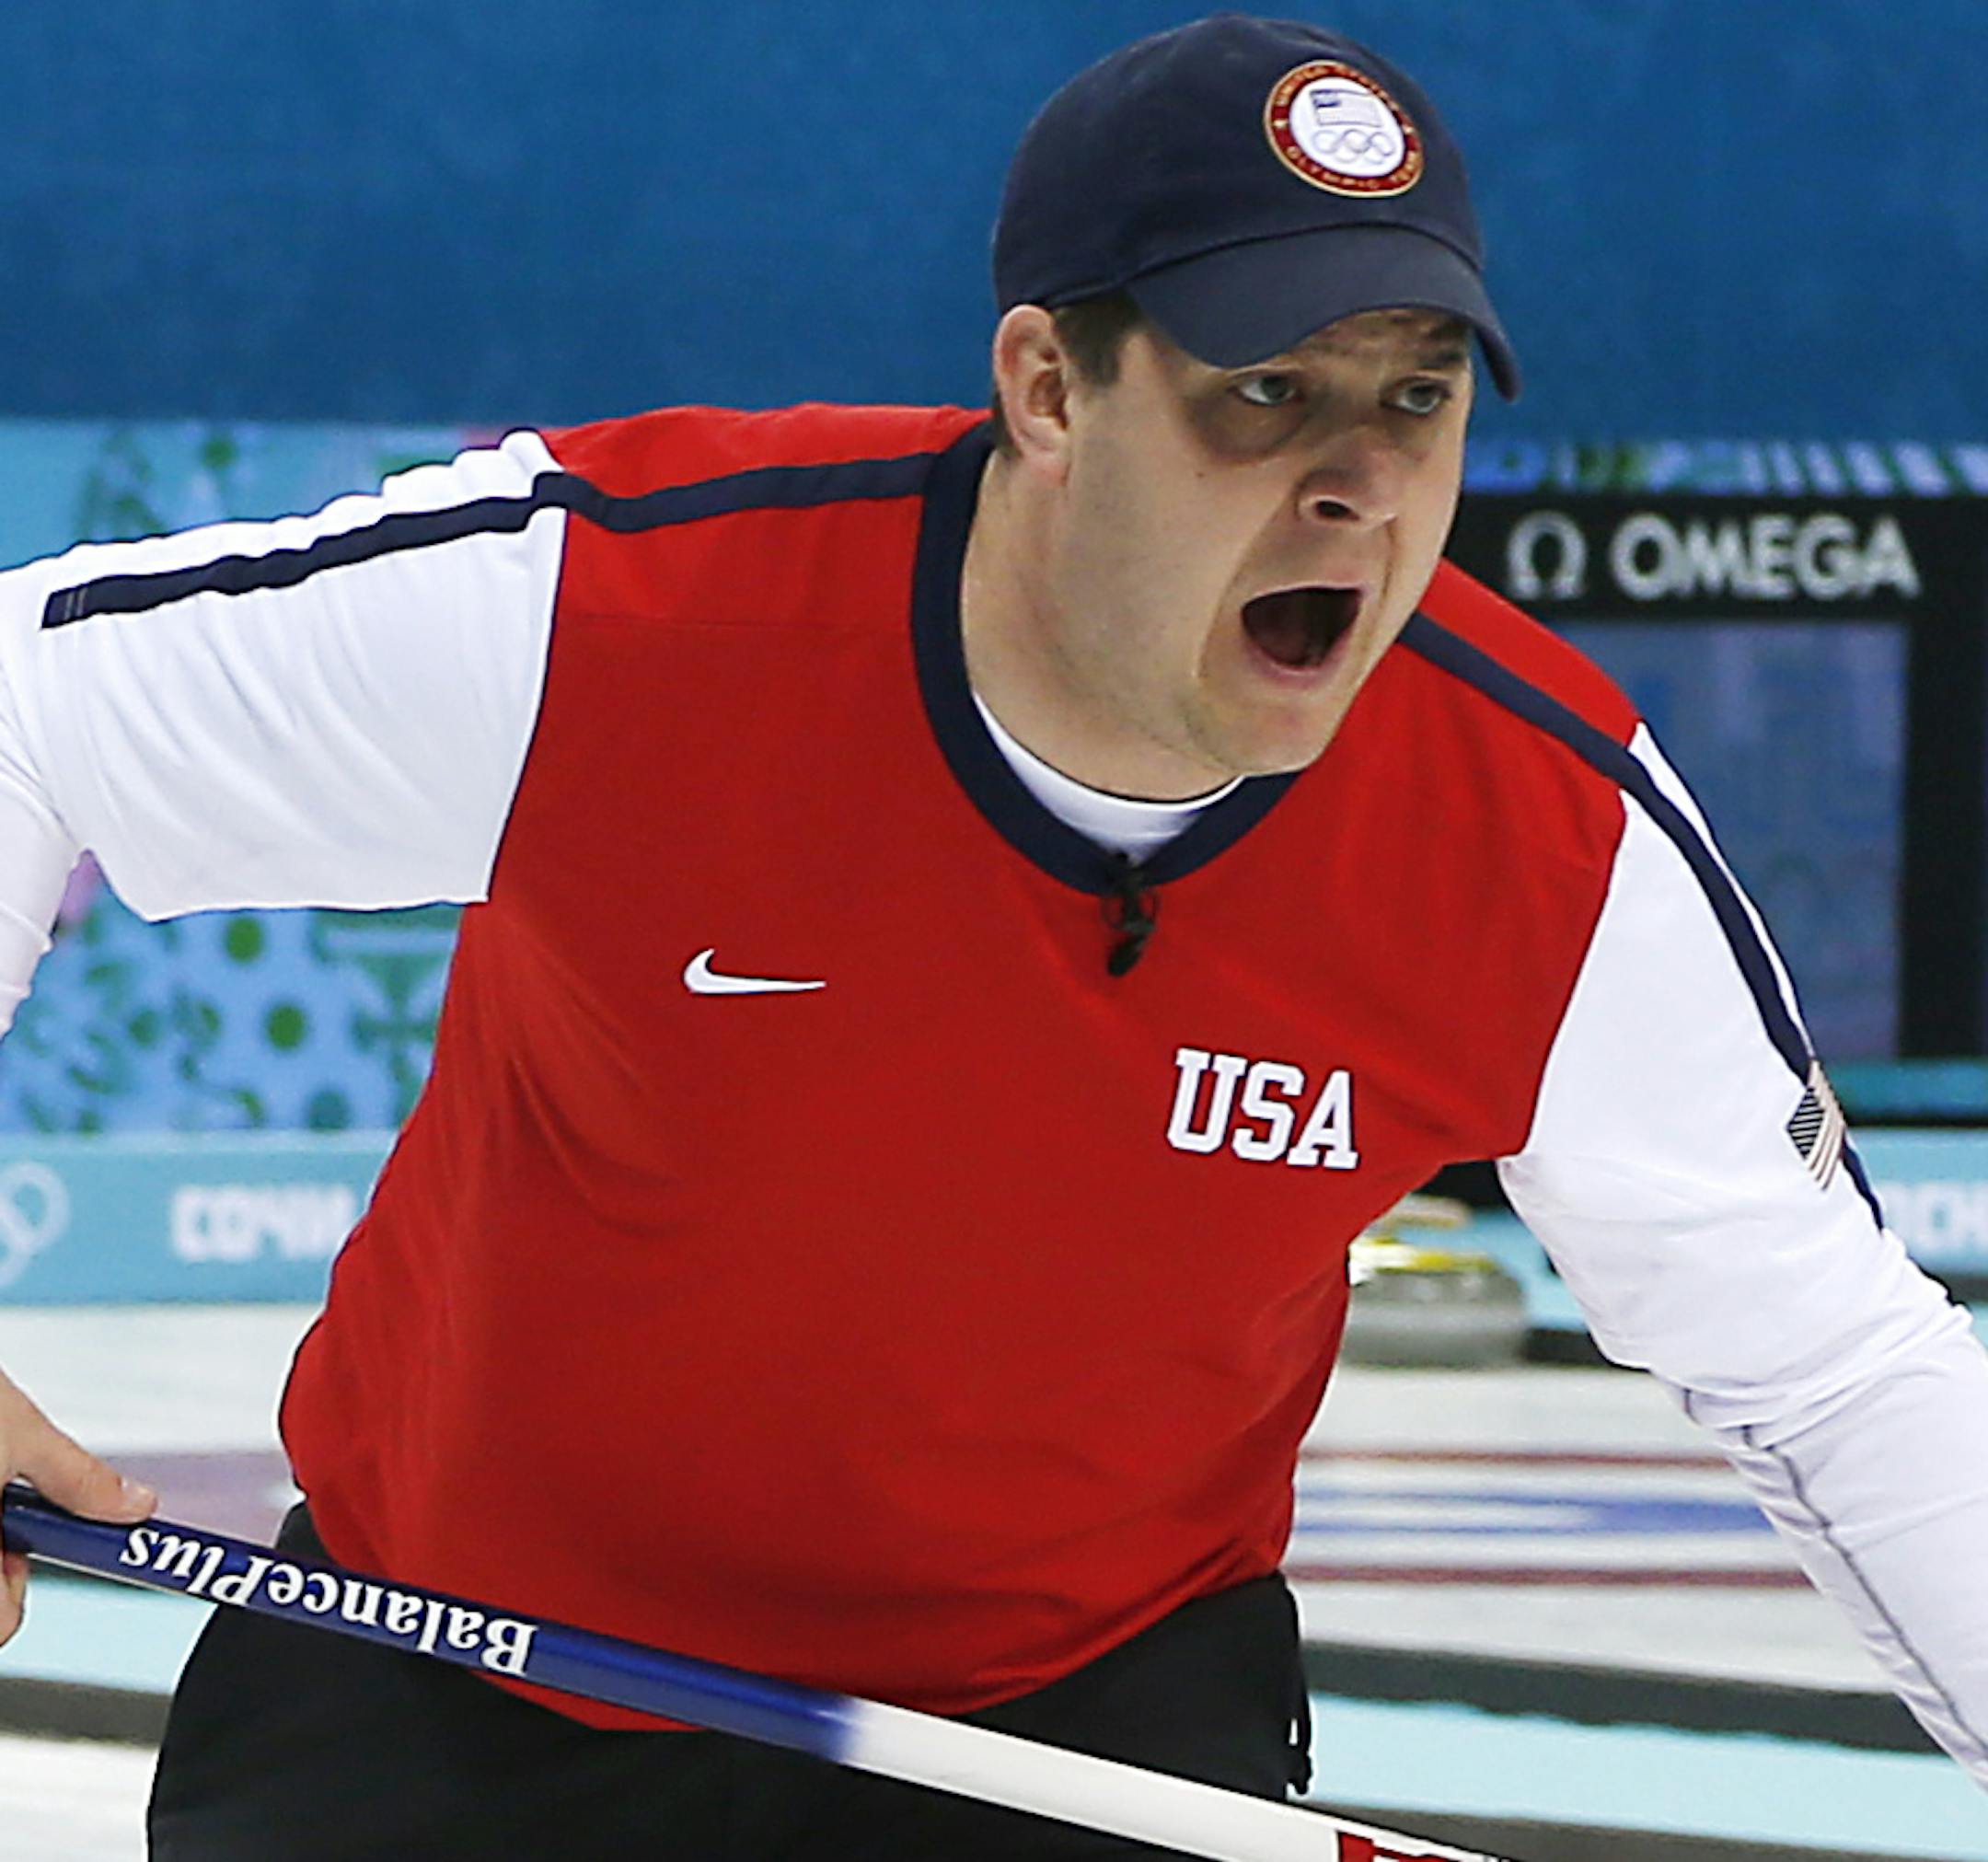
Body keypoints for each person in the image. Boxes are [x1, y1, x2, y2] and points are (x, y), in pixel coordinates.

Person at [1, 14, 1984, 1857]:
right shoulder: (612, 618)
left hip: (1081, 1729)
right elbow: (27, 715)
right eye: (1264, 395)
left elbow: (1832, 1369)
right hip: (445, 1673)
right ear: (1049, 387)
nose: (1358, 488)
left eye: (1417, 397)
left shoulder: (1546, 830)